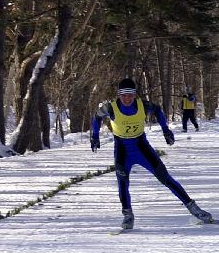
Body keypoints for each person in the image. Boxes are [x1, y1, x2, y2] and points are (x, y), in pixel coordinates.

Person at [90, 77, 213, 229]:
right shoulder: (111, 108)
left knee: (165, 178)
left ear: (135, 94)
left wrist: (166, 131)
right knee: (123, 183)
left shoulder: (143, 105)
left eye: (130, 94)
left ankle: (195, 210)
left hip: (142, 148)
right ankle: (128, 216)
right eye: (123, 95)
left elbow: (159, 111)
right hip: (122, 150)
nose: (127, 98)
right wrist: (94, 136)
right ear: (119, 95)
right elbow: (96, 117)